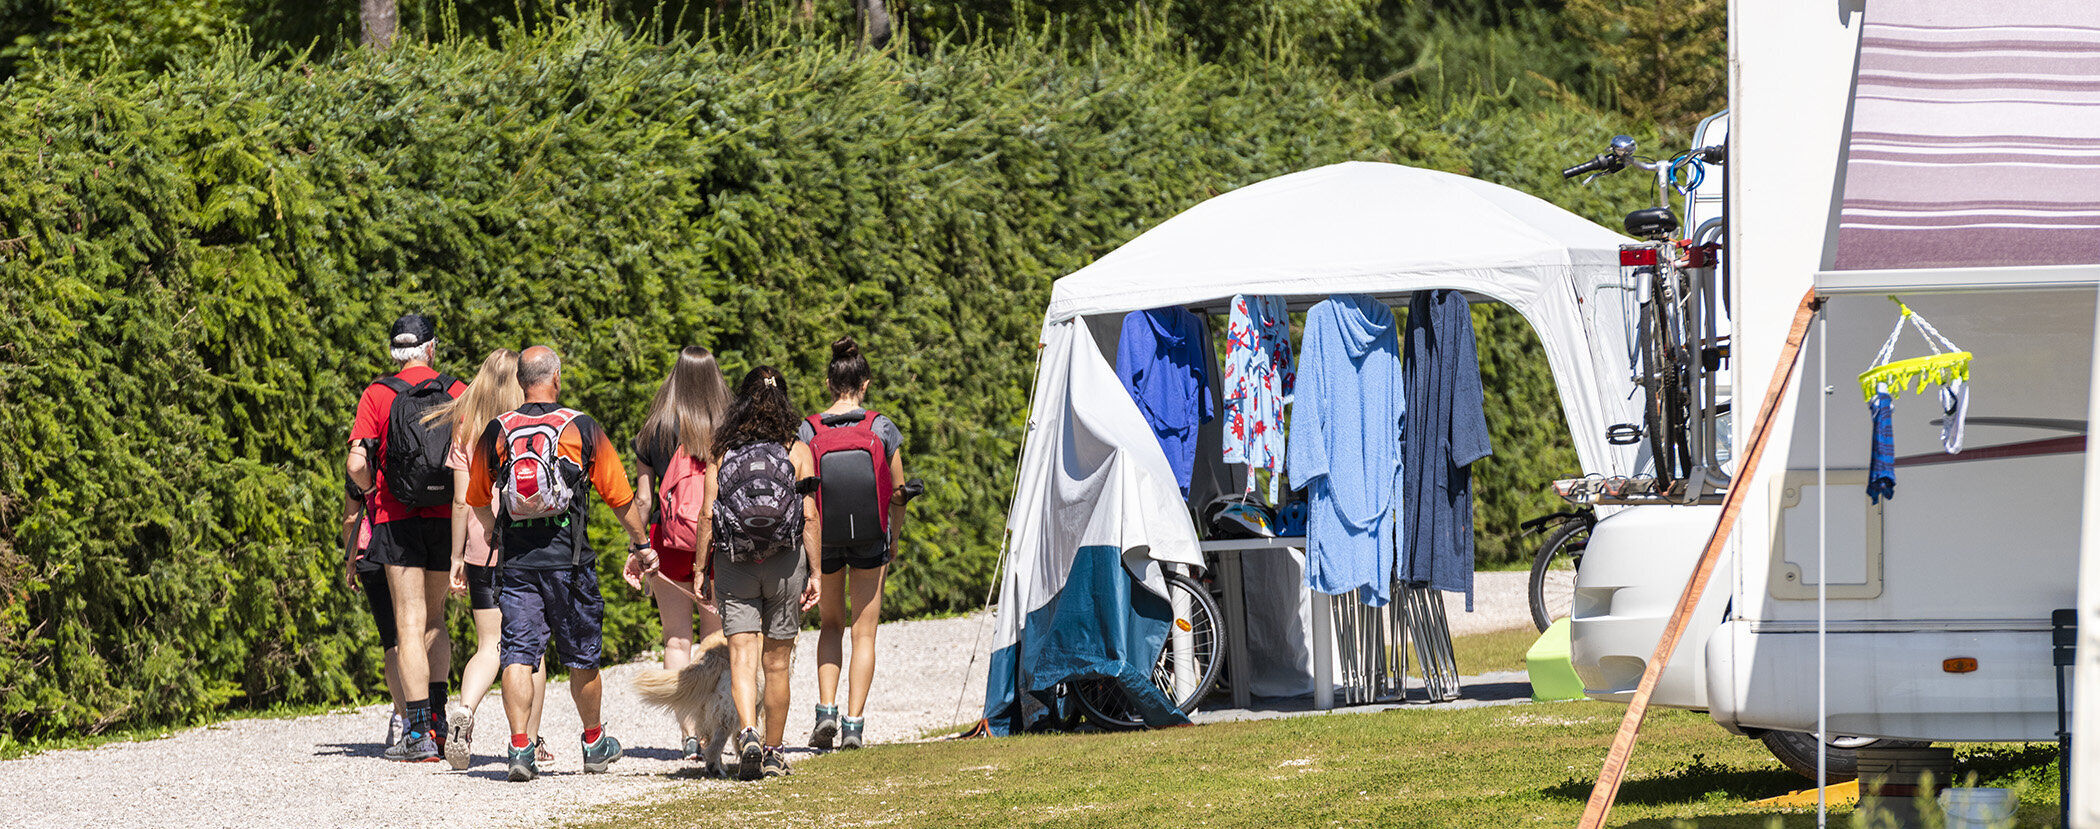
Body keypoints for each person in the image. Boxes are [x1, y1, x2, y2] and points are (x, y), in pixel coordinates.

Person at [465, 345, 653, 783]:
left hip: (517, 566)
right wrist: (641, 543)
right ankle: (592, 742)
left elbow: (475, 500)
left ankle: (519, 749)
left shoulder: (498, 430)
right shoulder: (580, 428)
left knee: (517, 654)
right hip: (570, 564)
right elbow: (619, 497)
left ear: (519, 382)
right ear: (556, 378)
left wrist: (499, 532)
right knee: (582, 656)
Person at [426, 348, 552, 771]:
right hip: (525, 547)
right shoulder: (527, 424)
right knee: (530, 649)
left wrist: (456, 554)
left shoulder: (466, 425)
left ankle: (464, 710)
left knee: (489, 645)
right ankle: (529, 741)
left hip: (481, 548)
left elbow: (462, 501)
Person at [346, 313, 461, 762]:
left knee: (408, 622)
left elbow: (357, 463)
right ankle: (439, 719)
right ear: (431, 349)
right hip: (442, 517)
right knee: (435, 620)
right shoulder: (456, 391)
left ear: (394, 353)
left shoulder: (378, 394)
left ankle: (417, 734)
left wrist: (373, 490)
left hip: (396, 517)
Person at [698, 366, 822, 780]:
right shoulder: (796, 448)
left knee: (742, 656)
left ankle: (748, 732)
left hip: (735, 563)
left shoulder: (723, 449)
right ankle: (773, 751)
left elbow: (706, 515)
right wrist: (817, 572)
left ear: (741, 402)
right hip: (786, 563)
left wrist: (702, 569)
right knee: (777, 664)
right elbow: (809, 516)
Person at [803, 338, 907, 751]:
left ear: (829, 383)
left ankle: (825, 712)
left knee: (830, 625)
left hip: (825, 540)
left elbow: (802, 490)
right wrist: (893, 537)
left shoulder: (808, 429)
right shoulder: (882, 427)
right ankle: (853, 726)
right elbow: (898, 491)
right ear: (864, 385)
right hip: (870, 538)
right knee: (864, 633)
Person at [631, 346, 732, 761]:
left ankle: (688, 734)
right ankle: (713, 730)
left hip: (666, 545)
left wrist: (637, 549)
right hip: (714, 547)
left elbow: (642, 500)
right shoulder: (726, 426)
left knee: (676, 637)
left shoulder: (653, 430)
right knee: (715, 639)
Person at [340, 484, 408, 748]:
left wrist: (350, 560)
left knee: (391, 640)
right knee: (415, 631)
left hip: (372, 552)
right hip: (409, 546)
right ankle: (426, 716)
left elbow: (350, 518)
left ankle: (402, 717)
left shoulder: (361, 457)